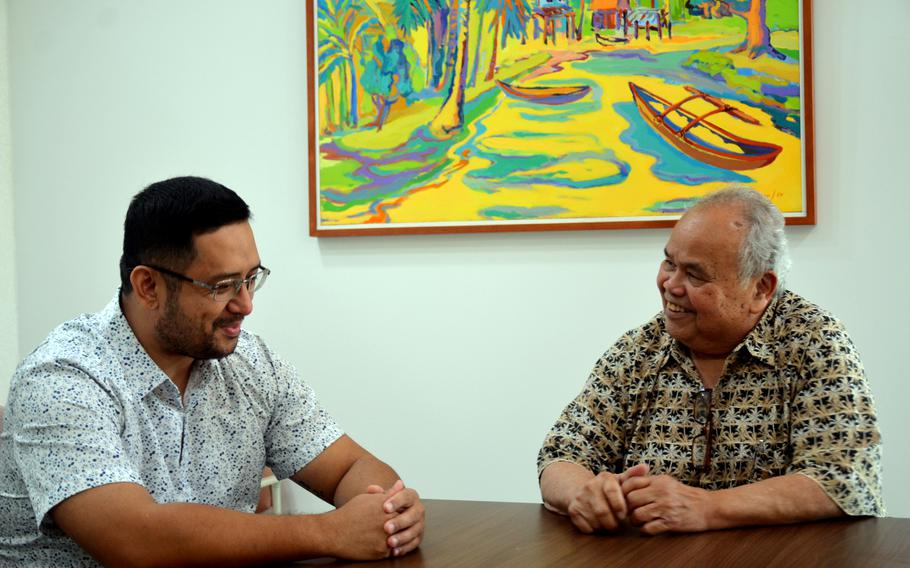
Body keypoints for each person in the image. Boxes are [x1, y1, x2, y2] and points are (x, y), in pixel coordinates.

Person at [0, 176, 424, 566]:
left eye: (251, 278)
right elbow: (133, 540)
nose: (246, 304)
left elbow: (350, 467)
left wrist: (389, 514)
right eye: (222, 286)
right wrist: (328, 532)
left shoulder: (250, 363)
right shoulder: (62, 379)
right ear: (148, 286)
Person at [537, 186, 883, 535]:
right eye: (669, 263)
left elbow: (844, 477)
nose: (670, 285)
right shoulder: (637, 351)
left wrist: (708, 507)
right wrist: (585, 494)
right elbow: (561, 454)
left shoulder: (813, 341)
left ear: (761, 287)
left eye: (695, 274)